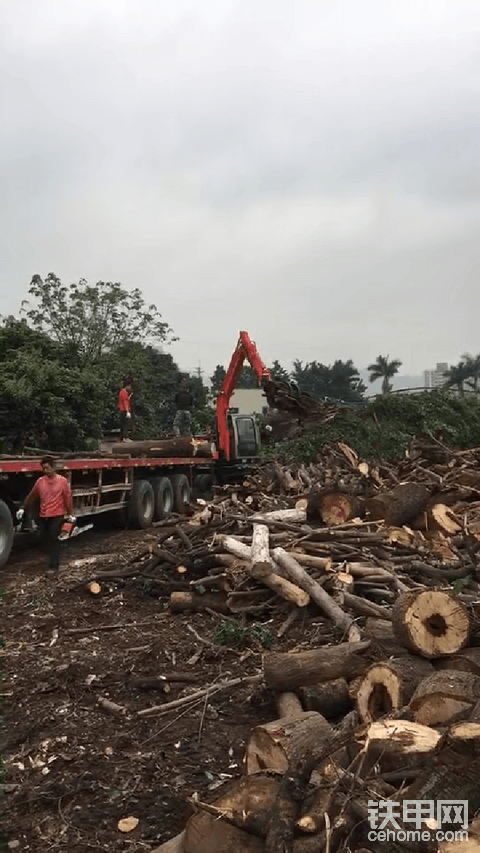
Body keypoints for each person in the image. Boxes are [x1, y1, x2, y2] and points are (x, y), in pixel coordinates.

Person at [17, 455, 74, 572]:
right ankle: (51, 560)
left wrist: (70, 514)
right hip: (44, 515)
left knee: (53, 538)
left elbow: (67, 498)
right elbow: (32, 495)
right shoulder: (40, 481)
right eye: (43, 468)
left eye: (47, 468)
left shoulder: (62, 481)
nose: (45, 471)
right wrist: (23, 507)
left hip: (57, 515)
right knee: (43, 538)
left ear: (53, 468)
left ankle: (53, 566)